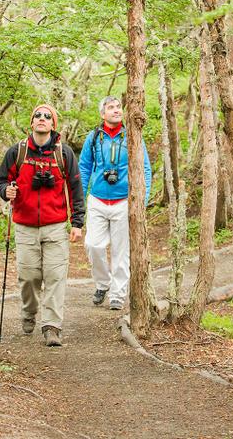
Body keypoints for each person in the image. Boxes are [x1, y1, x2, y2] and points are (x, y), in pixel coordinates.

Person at [0, 104, 85, 347]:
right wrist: (6, 191)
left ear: (53, 124)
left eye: (47, 116)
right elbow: (1, 180)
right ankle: (28, 313)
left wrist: (77, 222)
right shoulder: (18, 152)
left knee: (55, 276)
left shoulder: (63, 154)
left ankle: (51, 327)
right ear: (31, 123)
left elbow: (75, 187)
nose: (42, 119)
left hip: (55, 225)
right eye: (38, 116)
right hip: (25, 226)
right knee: (29, 277)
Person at [78, 96, 151, 311]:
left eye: (119, 107)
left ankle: (118, 295)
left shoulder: (132, 136)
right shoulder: (93, 138)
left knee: (121, 251)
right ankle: (103, 284)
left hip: (123, 201)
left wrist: (142, 201)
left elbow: (145, 168)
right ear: (103, 114)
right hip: (97, 199)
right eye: (111, 107)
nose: (116, 110)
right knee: (93, 245)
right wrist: (79, 200)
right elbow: (83, 168)